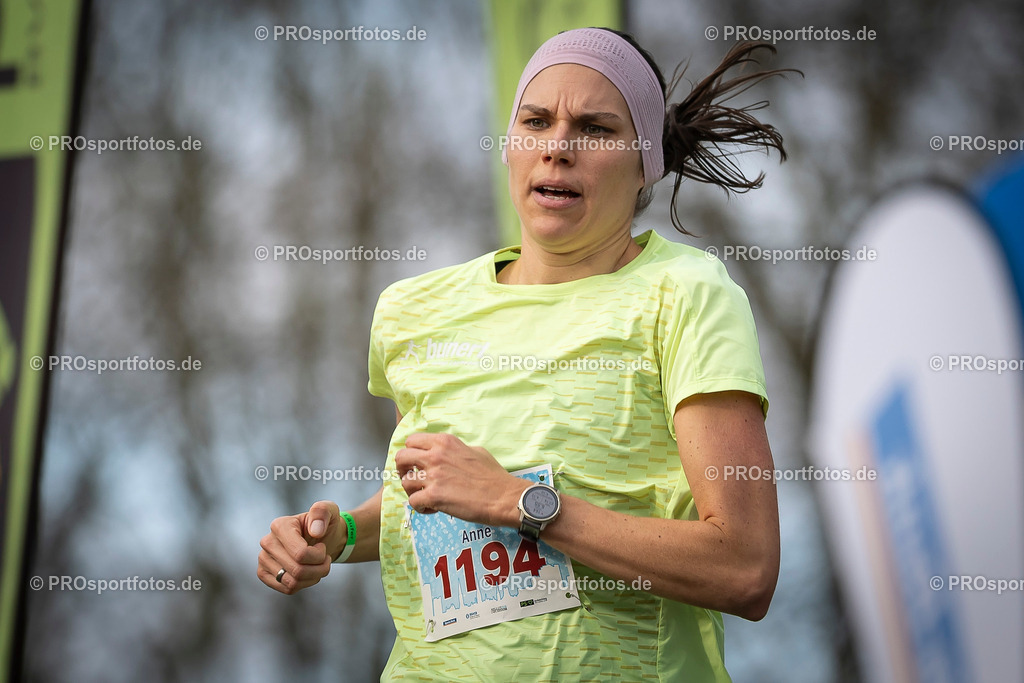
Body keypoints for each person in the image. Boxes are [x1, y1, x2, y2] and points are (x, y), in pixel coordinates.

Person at [259, 26, 793, 681]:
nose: (558, 149)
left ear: (644, 162)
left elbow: (743, 566)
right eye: (536, 122)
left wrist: (523, 503)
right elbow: (435, 503)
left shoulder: (684, 293)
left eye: (595, 129)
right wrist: (339, 532)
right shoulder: (414, 310)